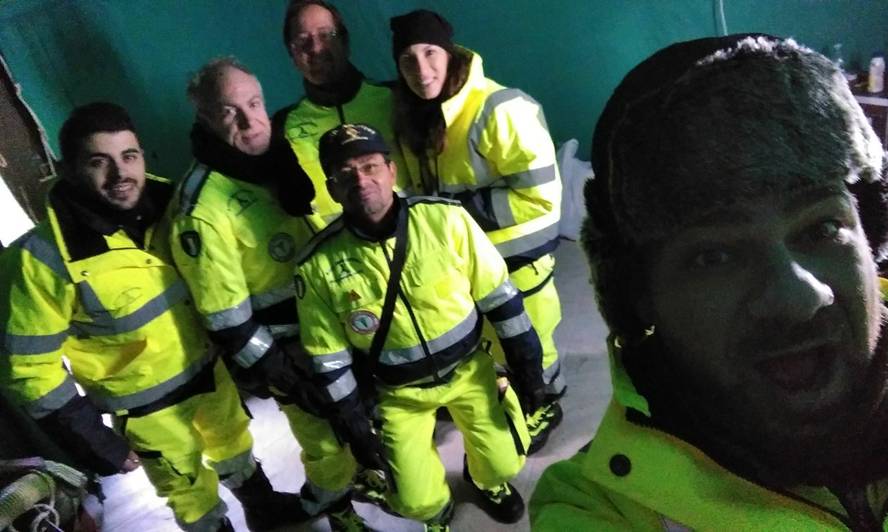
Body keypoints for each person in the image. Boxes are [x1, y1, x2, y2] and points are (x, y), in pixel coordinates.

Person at [530, 35, 888, 530]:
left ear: (869, 236)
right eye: (715, 256)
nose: (797, 296)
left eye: (822, 227)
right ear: (641, 295)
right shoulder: (594, 506)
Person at [0, 102, 287, 532]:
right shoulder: (40, 261)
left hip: (211, 375)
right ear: (70, 170)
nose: (121, 174)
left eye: (129, 156)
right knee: (189, 491)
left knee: (236, 446)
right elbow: (28, 369)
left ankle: (264, 508)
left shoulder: (174, 206)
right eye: (99, 162)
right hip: (148, 410)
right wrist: (94, 439)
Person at [294, 123, 546, 530]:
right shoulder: (317, 266)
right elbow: (329, 359)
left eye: (370, 166)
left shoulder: (446, 220)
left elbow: (501, 299)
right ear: (332, 189)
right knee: (416, 501)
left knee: (506, 462)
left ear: (391, 170)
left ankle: (485, 480)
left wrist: (529, 365)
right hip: (398, 394)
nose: (361, 180)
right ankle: (437, 512)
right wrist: (356, 426)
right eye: (345, 174)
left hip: (470, 372)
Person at [169, 57, 369, 530]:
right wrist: (288, 379)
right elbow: (227, 321)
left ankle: (362, 480)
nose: (250, 120)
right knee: (325, 442)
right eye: (230, 112)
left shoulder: (283, 158)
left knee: (361, 418)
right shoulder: (202, 209)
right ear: (206, 119)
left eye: (255, 103)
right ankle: (335, 510)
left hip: (341, 322)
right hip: (292, 352)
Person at [389, 9, 565, 453]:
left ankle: (545, 402)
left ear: (450, 54)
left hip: (517, 262)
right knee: (492, 343)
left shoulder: (501, 108)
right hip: (466, 267)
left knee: (532, 338)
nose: (421, 69)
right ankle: (512, 398)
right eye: (408, 59)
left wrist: (454, 218)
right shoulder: (416, 118)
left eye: (430, 53)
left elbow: (540, 198)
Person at [275, 0, 405, 228]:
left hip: (414, 239)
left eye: (326, 35)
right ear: (292, 55)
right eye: (302, 41)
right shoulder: (282, 128)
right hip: (339, 248)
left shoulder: (396, 99)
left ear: (345, 42)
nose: (315, 48)